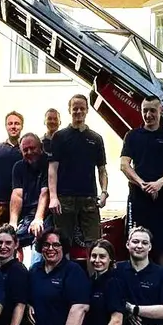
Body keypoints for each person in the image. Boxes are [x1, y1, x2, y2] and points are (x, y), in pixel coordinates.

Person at [120, 97, 163, 269]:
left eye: (152, 111)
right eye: (145, 111)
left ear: (160, 111)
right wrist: (142, 184)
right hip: (138, 198)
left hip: (162, 198)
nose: (148, 115)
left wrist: (159, 184)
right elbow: (124, 165)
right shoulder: (132, 136)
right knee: (137, 242)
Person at [47, 94, 109, 249]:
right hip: (64, 199)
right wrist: (53, 197)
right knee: (63, 243)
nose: (78, 111)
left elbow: (102, 169)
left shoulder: (96, 138)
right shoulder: (59, 137)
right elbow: (52, 169)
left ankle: (94, 274)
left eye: (82, 108)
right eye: (75, 108)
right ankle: (64, 274)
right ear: (69, 110)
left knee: (94, 243)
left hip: (89, 198)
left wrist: (104, 192)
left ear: (87, 110)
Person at [8, 133, 51, 261]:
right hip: (27, 217)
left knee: (40, 237)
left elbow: (45, 192)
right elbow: (17, 195)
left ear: (41, 147)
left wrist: (38, 219)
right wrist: (13, 223)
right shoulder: (18, 167)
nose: (29, 152)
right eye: (25, 150)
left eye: (33, 148)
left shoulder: (49, 164)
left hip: (47, 214)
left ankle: (35, 271)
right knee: (8, 239)